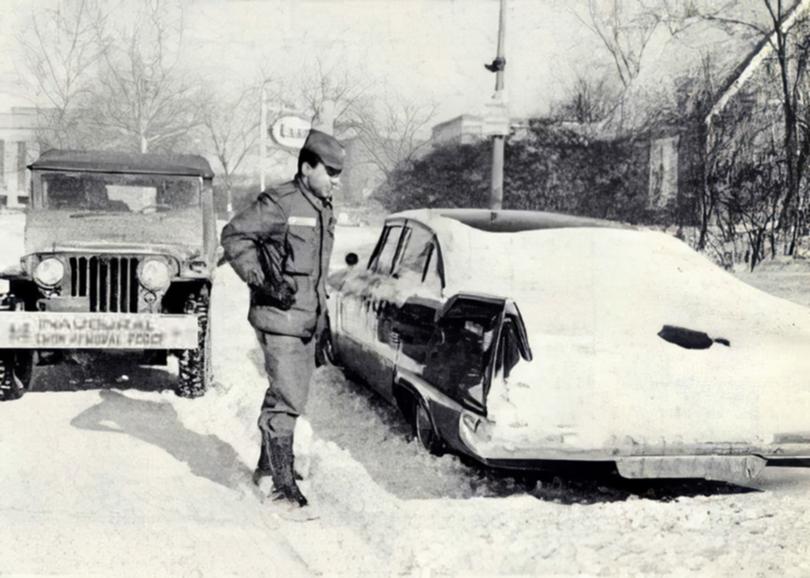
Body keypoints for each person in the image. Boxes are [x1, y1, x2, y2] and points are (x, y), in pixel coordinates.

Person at [220, 129, 344, 508]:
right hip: (280, 317)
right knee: (288, 398)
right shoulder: (280, 202)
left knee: (285, 393)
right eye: (329, 172)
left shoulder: (322, 207)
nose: (334, 181)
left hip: (307, 319)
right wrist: (263, 280)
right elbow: (234, 236)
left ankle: (268, 469)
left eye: (338, 174)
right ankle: (283, 487)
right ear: (307, 167)